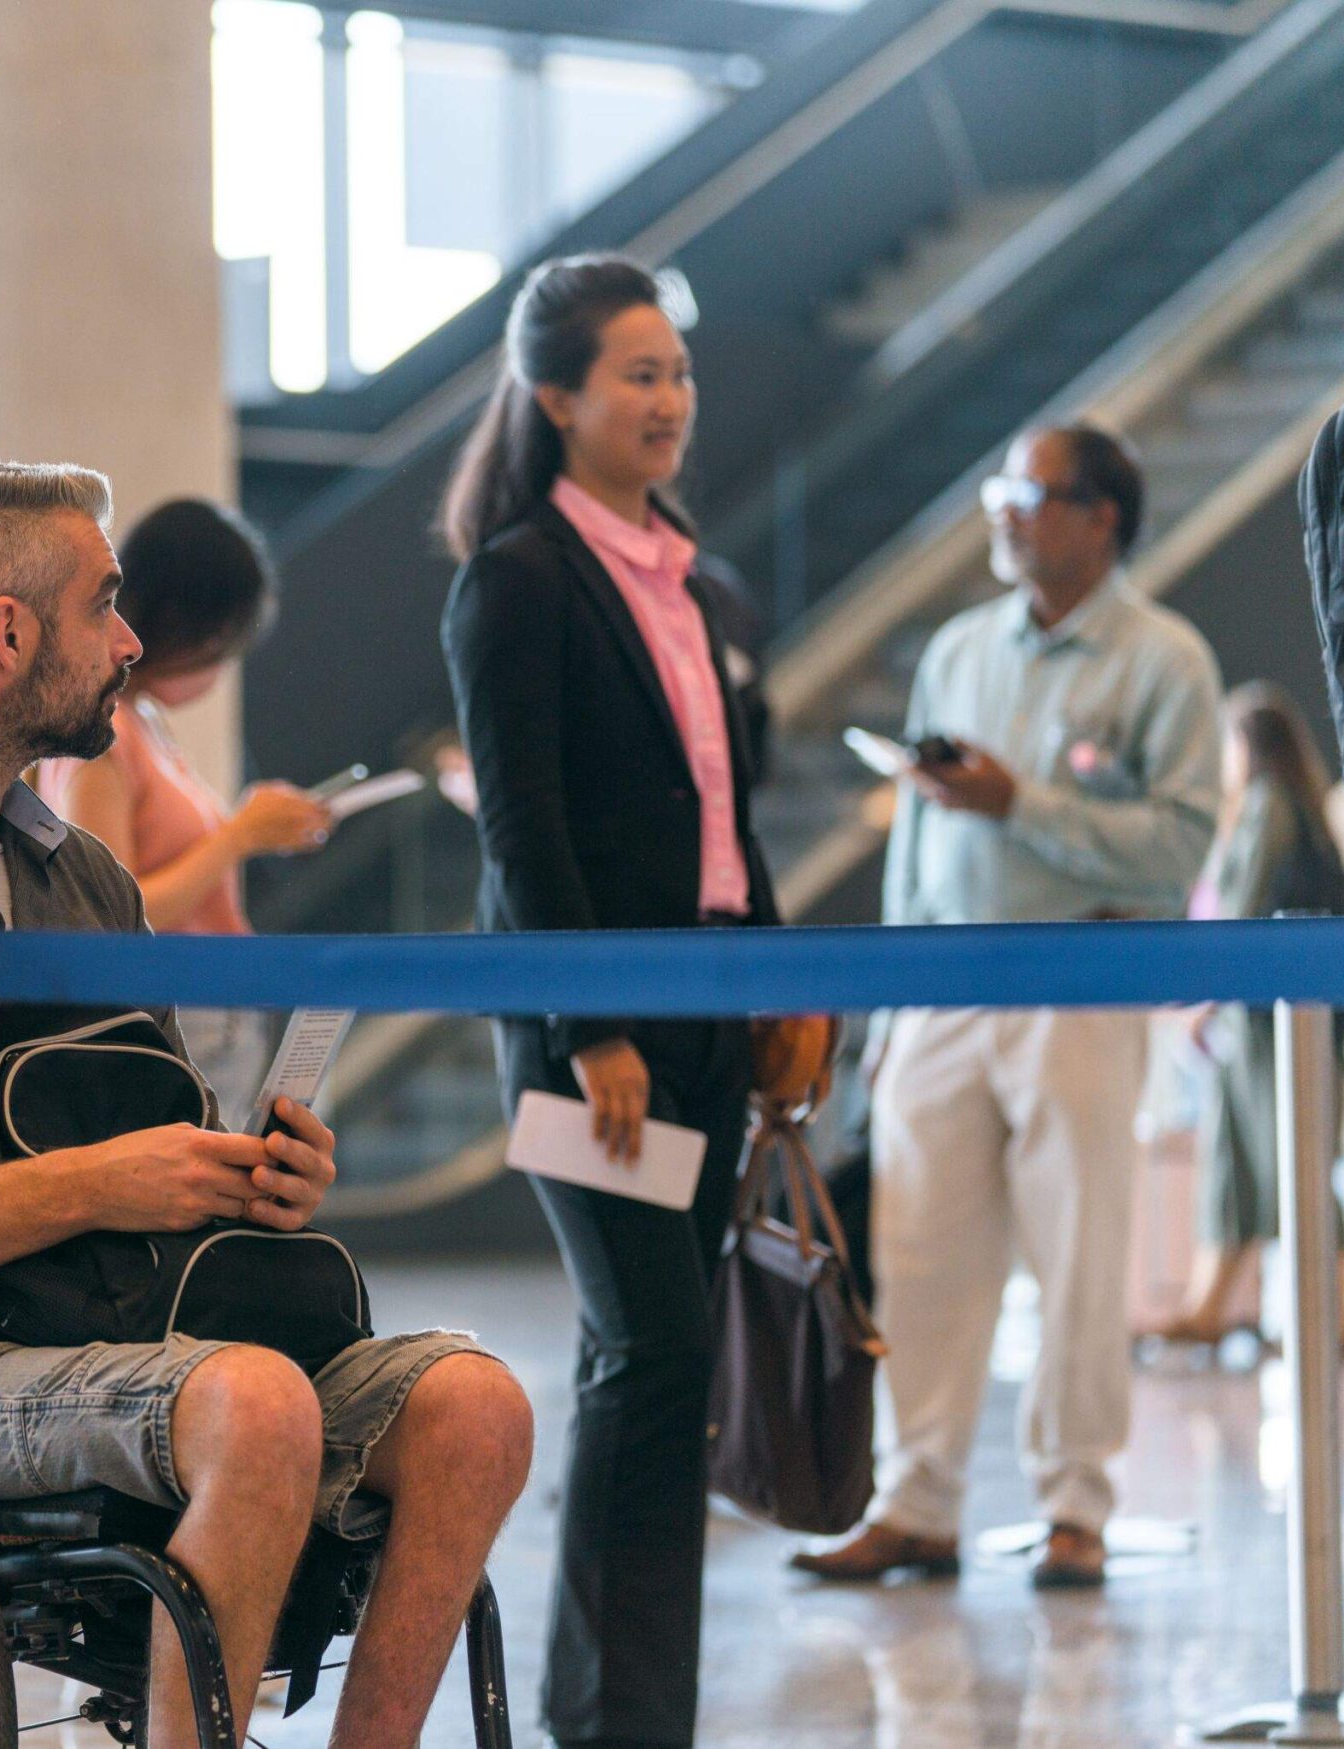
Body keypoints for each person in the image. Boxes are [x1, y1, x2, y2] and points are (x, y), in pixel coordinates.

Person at [0, 461, 535, 1749]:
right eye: (104, 606)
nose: (132, 641)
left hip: (120, 1316)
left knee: (478, 1407)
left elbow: (131, 1131)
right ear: (6, 633)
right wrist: (99, 1184)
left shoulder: (84, 881)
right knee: (258, 1404)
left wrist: (248, 1178)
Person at [439, 251, 807, 1749]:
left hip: (713, 1014)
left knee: (668, 1370)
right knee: (647, 1349)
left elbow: (729, 812)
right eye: (637, 376)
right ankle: (605, 1723)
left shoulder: (698, 579)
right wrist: (591, 1023)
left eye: (678, 374)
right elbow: (522, 824)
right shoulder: (515, 580)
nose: (670, 401)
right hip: (590, 1034)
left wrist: (785, 987)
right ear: (558, 399)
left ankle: (643, 1712)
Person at [794, 423, 1222, 1590]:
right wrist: (884, 1013)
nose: (1004, 514)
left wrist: (1020, 803)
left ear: (1101, 518)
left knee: (1079, 1255)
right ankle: (915, 1503)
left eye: (1028, 495)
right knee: (920, 1253)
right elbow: (921, 834)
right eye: (999, 491)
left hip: (1077, 985)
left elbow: (1179, 842)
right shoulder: (959, 648)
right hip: (939, 984)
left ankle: (1076, 1506)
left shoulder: (1162, 660)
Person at [40, 497, 332, 1122]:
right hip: (172, 1017)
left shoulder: (143, 721)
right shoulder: (104, 732)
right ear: (184, 625)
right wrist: (235, 839)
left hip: (206, 1008)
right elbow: (111, 914)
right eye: (220, 645)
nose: (220, 668)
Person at [1150, 683, 1344, 1353]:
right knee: (1236, 1163)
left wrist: (1205, 997)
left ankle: (1335, 1317)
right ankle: (1209, 1302)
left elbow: (1241, 907)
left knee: (1292, 1163)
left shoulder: (1269, 807)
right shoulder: (1271, 808)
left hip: (1269, 1022)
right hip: (1247, 1025)